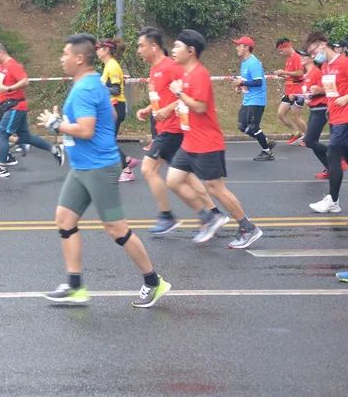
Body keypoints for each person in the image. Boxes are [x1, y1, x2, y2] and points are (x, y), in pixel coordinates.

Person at [36, 34, 170, 308]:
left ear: (79, 58)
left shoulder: (86, 88)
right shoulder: (91, 83)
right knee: (64, 219)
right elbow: (107, 116)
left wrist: (56, 124)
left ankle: (154, 281)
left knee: (116, 228)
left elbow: (86, 129)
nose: (62, 59)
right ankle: (75, 286)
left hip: (98, 168)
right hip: (82, 167)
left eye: (65, 55)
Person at [169, 29, 264, 248]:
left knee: (215, 188)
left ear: (191, 51)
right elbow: (188, 103)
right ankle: (209, 216)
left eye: (177, 47)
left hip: (206, 141)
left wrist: (179, 95)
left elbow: (201, 106)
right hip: (190, 141)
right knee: (173, 180)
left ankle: (248, 227)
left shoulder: (199, 74)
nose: (173, 50)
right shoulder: (184, 74)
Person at [133, 28, 222, 236]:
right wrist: (149, 109)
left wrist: (167, 109)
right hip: (166, 127)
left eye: (141, 46)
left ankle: (167, 216)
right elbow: (163, 95)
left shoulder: (171, 67)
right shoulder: (154, 69)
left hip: (172, 129)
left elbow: (185, 92)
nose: (138, 50)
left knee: (148, 169)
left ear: (153, 47)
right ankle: (213, 213)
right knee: (188, 177)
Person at [0, 41, 62, 177]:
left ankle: (2, 168)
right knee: (25, 137)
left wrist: (9, 89)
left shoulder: (12, 65)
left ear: (0, 52)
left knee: (3, 133)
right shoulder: (2, 67)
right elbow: (4, 86)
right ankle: (54, 149)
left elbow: (25, 81)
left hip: (15, 106)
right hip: (10, 106)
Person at [305, 32, 348, 214]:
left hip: (345, 118)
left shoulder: (344, 62)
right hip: (334, 117)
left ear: (323, 44)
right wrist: (319, 92)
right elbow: (331, 90)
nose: (313, 56)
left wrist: (347, 98)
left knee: (332, 154)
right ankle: (333, 200)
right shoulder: (325, 66)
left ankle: (333, 200)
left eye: (314, 52)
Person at [95, 39, 139, 181]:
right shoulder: (109, 65)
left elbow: (116, 89)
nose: (97, 51)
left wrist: (99, 88)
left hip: (115, 106)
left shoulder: (112, 66)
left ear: (106, 50)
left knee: (107, 140)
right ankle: (124, 163)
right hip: (112, 107)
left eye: (99, 48)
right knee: (106, 140)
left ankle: (126, 167)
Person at [232, 36, 275, 161]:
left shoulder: (253, 62)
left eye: (239, 45)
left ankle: (267, 152)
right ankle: (265, 141)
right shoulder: (244, 62)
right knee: (241, 126)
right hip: (248, 99)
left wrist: (240, 83)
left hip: (257, 100)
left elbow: (258, 82)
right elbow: (247, 81)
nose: (237, 47)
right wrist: (241, 87)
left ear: (246, 47)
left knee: (253, 127)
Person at [299, 48, 331, 180]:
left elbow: (329, 89)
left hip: (321, 109)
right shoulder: (307, 74)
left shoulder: (317, 72)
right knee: (312, 142)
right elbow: (309, 93)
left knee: (309, 141)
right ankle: (330, 168)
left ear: (311, 58)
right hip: (313, 109)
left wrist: (318, 90)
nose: (300, 57)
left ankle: (337, 156)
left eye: (303, 55)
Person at [274, 38, 308, 145]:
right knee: (280, 113)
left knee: (296, 117)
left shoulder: (297, 57)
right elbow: (291, 75)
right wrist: (284, 75)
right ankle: (296, 132)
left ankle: (309, 138)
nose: (280, 53)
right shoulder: (288, 59)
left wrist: (284, 72)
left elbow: (300, 73)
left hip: (297, 91)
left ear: (287, 47)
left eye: (281, 50)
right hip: (289, 91)